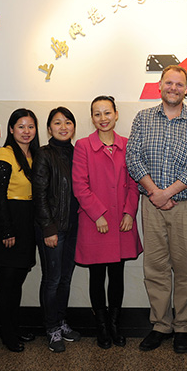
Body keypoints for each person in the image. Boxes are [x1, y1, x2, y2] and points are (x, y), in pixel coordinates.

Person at [126, 65, 187, 354]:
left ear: (186, 89)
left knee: (186, 269)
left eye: (179, 84)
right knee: (155, 268)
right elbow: (133, 158)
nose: (173, 88)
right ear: (160, 86)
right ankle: (160, 325)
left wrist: (168, 192)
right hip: (151, 206)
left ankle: (183, 326)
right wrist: (155, 193)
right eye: (168, 83)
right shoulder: (143, 118)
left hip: (186, 205)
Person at [73, 96, 143, 350]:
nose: (103, 118)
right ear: (92, 118)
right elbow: (80, 185)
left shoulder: (128, 144)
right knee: (96, 276)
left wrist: (129, 213)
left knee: (117, 275)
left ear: (116, 114)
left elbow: (135, 183)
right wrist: (98, 214)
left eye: (107, 113)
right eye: (97, 114)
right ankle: (101, 326)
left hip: (122, 221)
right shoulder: (83, 146)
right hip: (95, 223)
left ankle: (115, 325)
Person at [32, 107, 81, 353]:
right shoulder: (44, 154)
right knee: (51, 279)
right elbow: (39, 193)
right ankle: (51, 328)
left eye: (68, 122)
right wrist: (48, 228)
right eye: (58, 123)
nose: (63, 127)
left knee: (66, 278)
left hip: (74, 227)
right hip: (53, 228)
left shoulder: (78, 153)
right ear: (49, 129)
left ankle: (61, 322)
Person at [0, 108, 40, 352]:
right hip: (10, 220)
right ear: (11, 129)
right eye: (21, 126)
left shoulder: (34, 155)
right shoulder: (5, 153)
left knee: (18, 279)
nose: (26, 131)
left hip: (28, 221)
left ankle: (14, 327)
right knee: (7, 280)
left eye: (30, 126)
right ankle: (7, 333)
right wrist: (6, 230)